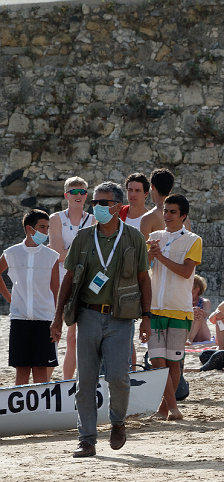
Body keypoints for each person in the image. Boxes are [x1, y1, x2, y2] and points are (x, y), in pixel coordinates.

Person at [50, 181, 151, 458]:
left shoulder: (133, 238)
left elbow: (144, 279)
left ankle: (117, 422)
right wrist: (58, 318)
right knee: (85, 381)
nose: (97, 208)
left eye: (103, 203)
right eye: (95, 203)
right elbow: (68, 279)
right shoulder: (83, 238)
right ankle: (87, 439)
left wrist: (146, 317)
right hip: (88, 315)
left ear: (118, 206)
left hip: (120, 318)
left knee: (118, 377)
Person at [146, 194, 202, 421]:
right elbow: (144, 267)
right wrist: (150, 256)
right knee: (156, 361)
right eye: (165, 211)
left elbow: (187, 271)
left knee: (173, 362)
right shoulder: (154, 237)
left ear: (183, 216)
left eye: (172, 212)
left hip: (179, 308)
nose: (167, 216)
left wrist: (160, 257)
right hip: (155, 308)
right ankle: (172, 408)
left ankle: (165, 408)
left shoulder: (193, 240)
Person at [0, 210, 60, 384]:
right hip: (20, 319)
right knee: (22, 369)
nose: (45, 232)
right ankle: (21, 411)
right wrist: (10, 298)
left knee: (41, 369)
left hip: (45, 320)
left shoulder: (51, 256)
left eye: (47, 228)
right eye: (42, 227)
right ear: (29, 228)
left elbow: (55, 290)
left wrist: (57, 321)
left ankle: (41, 410)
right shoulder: (12, 252)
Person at [48, 176, 95, 380]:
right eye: (74, 192)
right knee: (54, 334)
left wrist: (70, 251)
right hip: (59, 280)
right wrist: (78, 249)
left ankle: (68, 382)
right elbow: (58, 255)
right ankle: (46, 381)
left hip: (82, 281)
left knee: (73, 337)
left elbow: (90, 255)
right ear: (66, 195)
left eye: (82, 192)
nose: (78, 196)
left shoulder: (93, 220)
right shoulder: (56, 219)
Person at [139, 168, 192, 237]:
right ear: (171, 188)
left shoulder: (147, 219)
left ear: (152, 186)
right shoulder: (184, 217)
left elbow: (144, 247)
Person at [186, 275, 212, 344]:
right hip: (186, 330)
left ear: (197, 288)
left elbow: (207, 314)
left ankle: (190, 339)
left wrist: (199, 311)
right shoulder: (184, 301)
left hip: (201, 333)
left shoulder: (205, 301)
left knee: (199, 315)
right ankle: (188, 338)